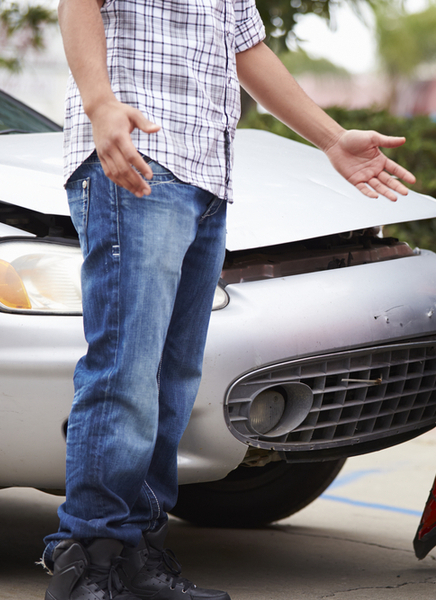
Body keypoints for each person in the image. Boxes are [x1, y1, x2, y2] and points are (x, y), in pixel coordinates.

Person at [42, 0, 416, 598]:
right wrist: (100, 103)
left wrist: (332, 138)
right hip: (137, 158)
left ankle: (137, 555)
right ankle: (89, 559)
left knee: (173, 380)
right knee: (126, 372)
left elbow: (246, 49)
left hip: (206, 175)